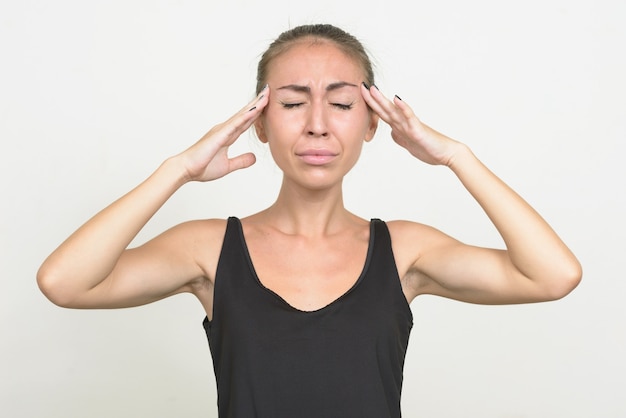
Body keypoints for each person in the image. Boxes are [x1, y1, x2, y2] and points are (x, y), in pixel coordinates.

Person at [37, 23, 582, 418]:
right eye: (294, 103)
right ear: (258, 122)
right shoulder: (207, 249)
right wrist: (176, 170)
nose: (318, 125)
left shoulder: (405, 251)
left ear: (371, 124)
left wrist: (455, 156)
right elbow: (64, 282)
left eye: (342, 104)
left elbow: (553, 275)